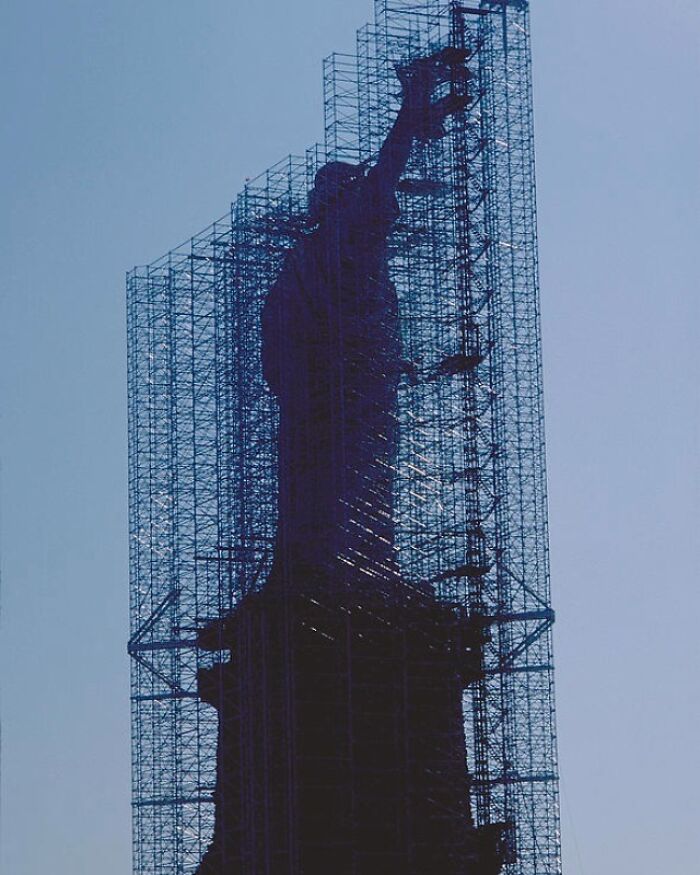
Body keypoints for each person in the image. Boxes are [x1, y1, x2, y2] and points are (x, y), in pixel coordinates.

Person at [261, 48, 468, 586]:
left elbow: (274, 345)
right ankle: (353, 571)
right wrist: (411, 109)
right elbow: (387, 172)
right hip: (347, 393)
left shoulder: (302, 258)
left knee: (318, 491)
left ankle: (325, 570)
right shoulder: (345, 233)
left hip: (316, 398)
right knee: (354, 486)